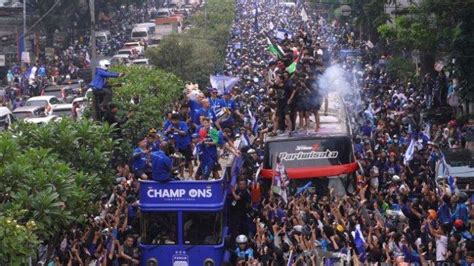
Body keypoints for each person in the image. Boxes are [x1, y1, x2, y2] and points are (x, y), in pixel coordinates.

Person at [165, 113, 193, 177]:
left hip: (186, 145)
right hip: (178, 146)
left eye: (175, 120)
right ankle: (182, 176)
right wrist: (168, 131)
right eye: (173, 120)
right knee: (180, 161)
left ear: (178, 120)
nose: (174, 122)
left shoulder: (183, 124)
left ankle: (190, 176)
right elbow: (165, 133)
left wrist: (176, 130)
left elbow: (184, 133)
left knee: (189, 161)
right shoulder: (171, 125)